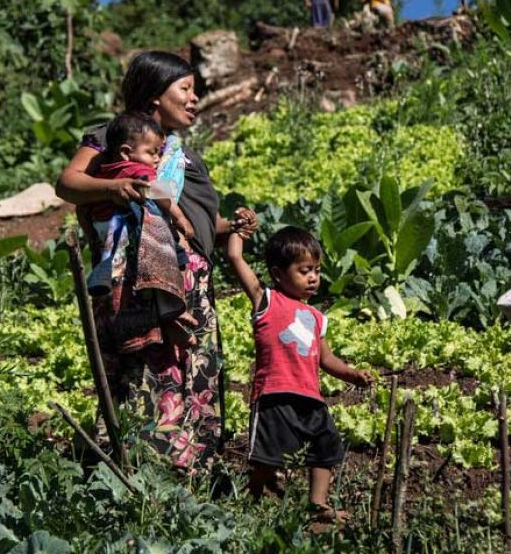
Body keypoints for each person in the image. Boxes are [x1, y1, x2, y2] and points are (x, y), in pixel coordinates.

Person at [56, 51, 258, 471]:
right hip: (141, 285)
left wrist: (230, 227)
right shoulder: (114, 137)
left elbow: (191, 224)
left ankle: (192, 471)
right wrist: (115, 188)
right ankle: (136, 470)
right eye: (184, 89)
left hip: (192, 288)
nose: (194, 98)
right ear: (153, 98)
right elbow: (69, 183)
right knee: (145, 371)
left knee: (193, 372)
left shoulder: (179, 155)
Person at [225, 226, 373, 523]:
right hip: (274, 395)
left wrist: (352, 373)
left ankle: (317, 505)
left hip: (310, 395)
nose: (313, 277)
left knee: (326, 449)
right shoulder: (265, 300)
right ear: (279, 274)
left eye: (316, 270)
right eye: (305, 270)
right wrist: (237, 230)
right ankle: (250, 494)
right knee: (268, 458)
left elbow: (326, 358)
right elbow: (233, 256)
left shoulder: (317, 317)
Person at [82, 111, 194, 247]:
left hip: (102, 229)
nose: (157, 159)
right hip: (125, 229)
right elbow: (159, 192)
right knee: (173, 246)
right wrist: (180, 217)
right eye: (152, 152)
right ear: (126, 152)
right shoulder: (138, 170)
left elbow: (83, 208)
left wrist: (91, 234)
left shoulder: (103, 172)